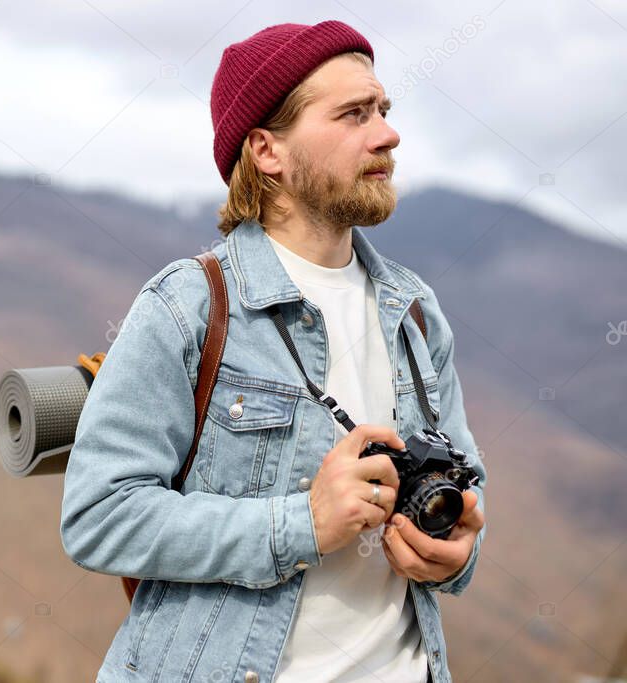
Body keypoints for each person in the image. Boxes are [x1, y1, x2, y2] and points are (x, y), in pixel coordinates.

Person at [60, 20, 487, 683]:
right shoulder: (189, 304)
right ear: (266, 150)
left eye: (383, 111)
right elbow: (99, 516)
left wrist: (458, 553)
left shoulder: (415, 311)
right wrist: (302, 523)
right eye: (352, 115)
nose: (387, 133)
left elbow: (468, 488)